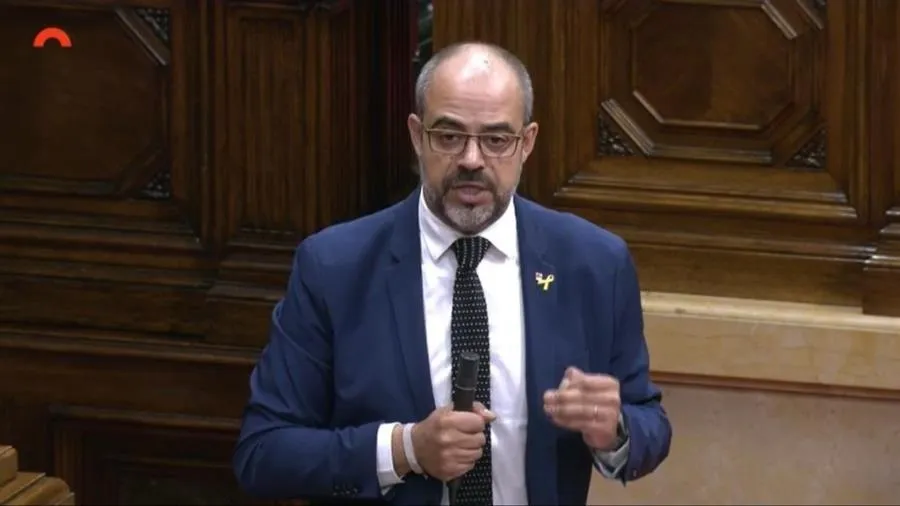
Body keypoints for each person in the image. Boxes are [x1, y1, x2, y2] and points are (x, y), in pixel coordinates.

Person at [233, 41, 671, 505]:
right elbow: (263, 454)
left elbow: (649, 424)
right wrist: (403, 450)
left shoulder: (594, 263)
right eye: (449, 136)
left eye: (497, 139)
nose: (471, 160)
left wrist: (616, 429)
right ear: (417, 136)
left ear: (528, 143)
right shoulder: (334, 268)